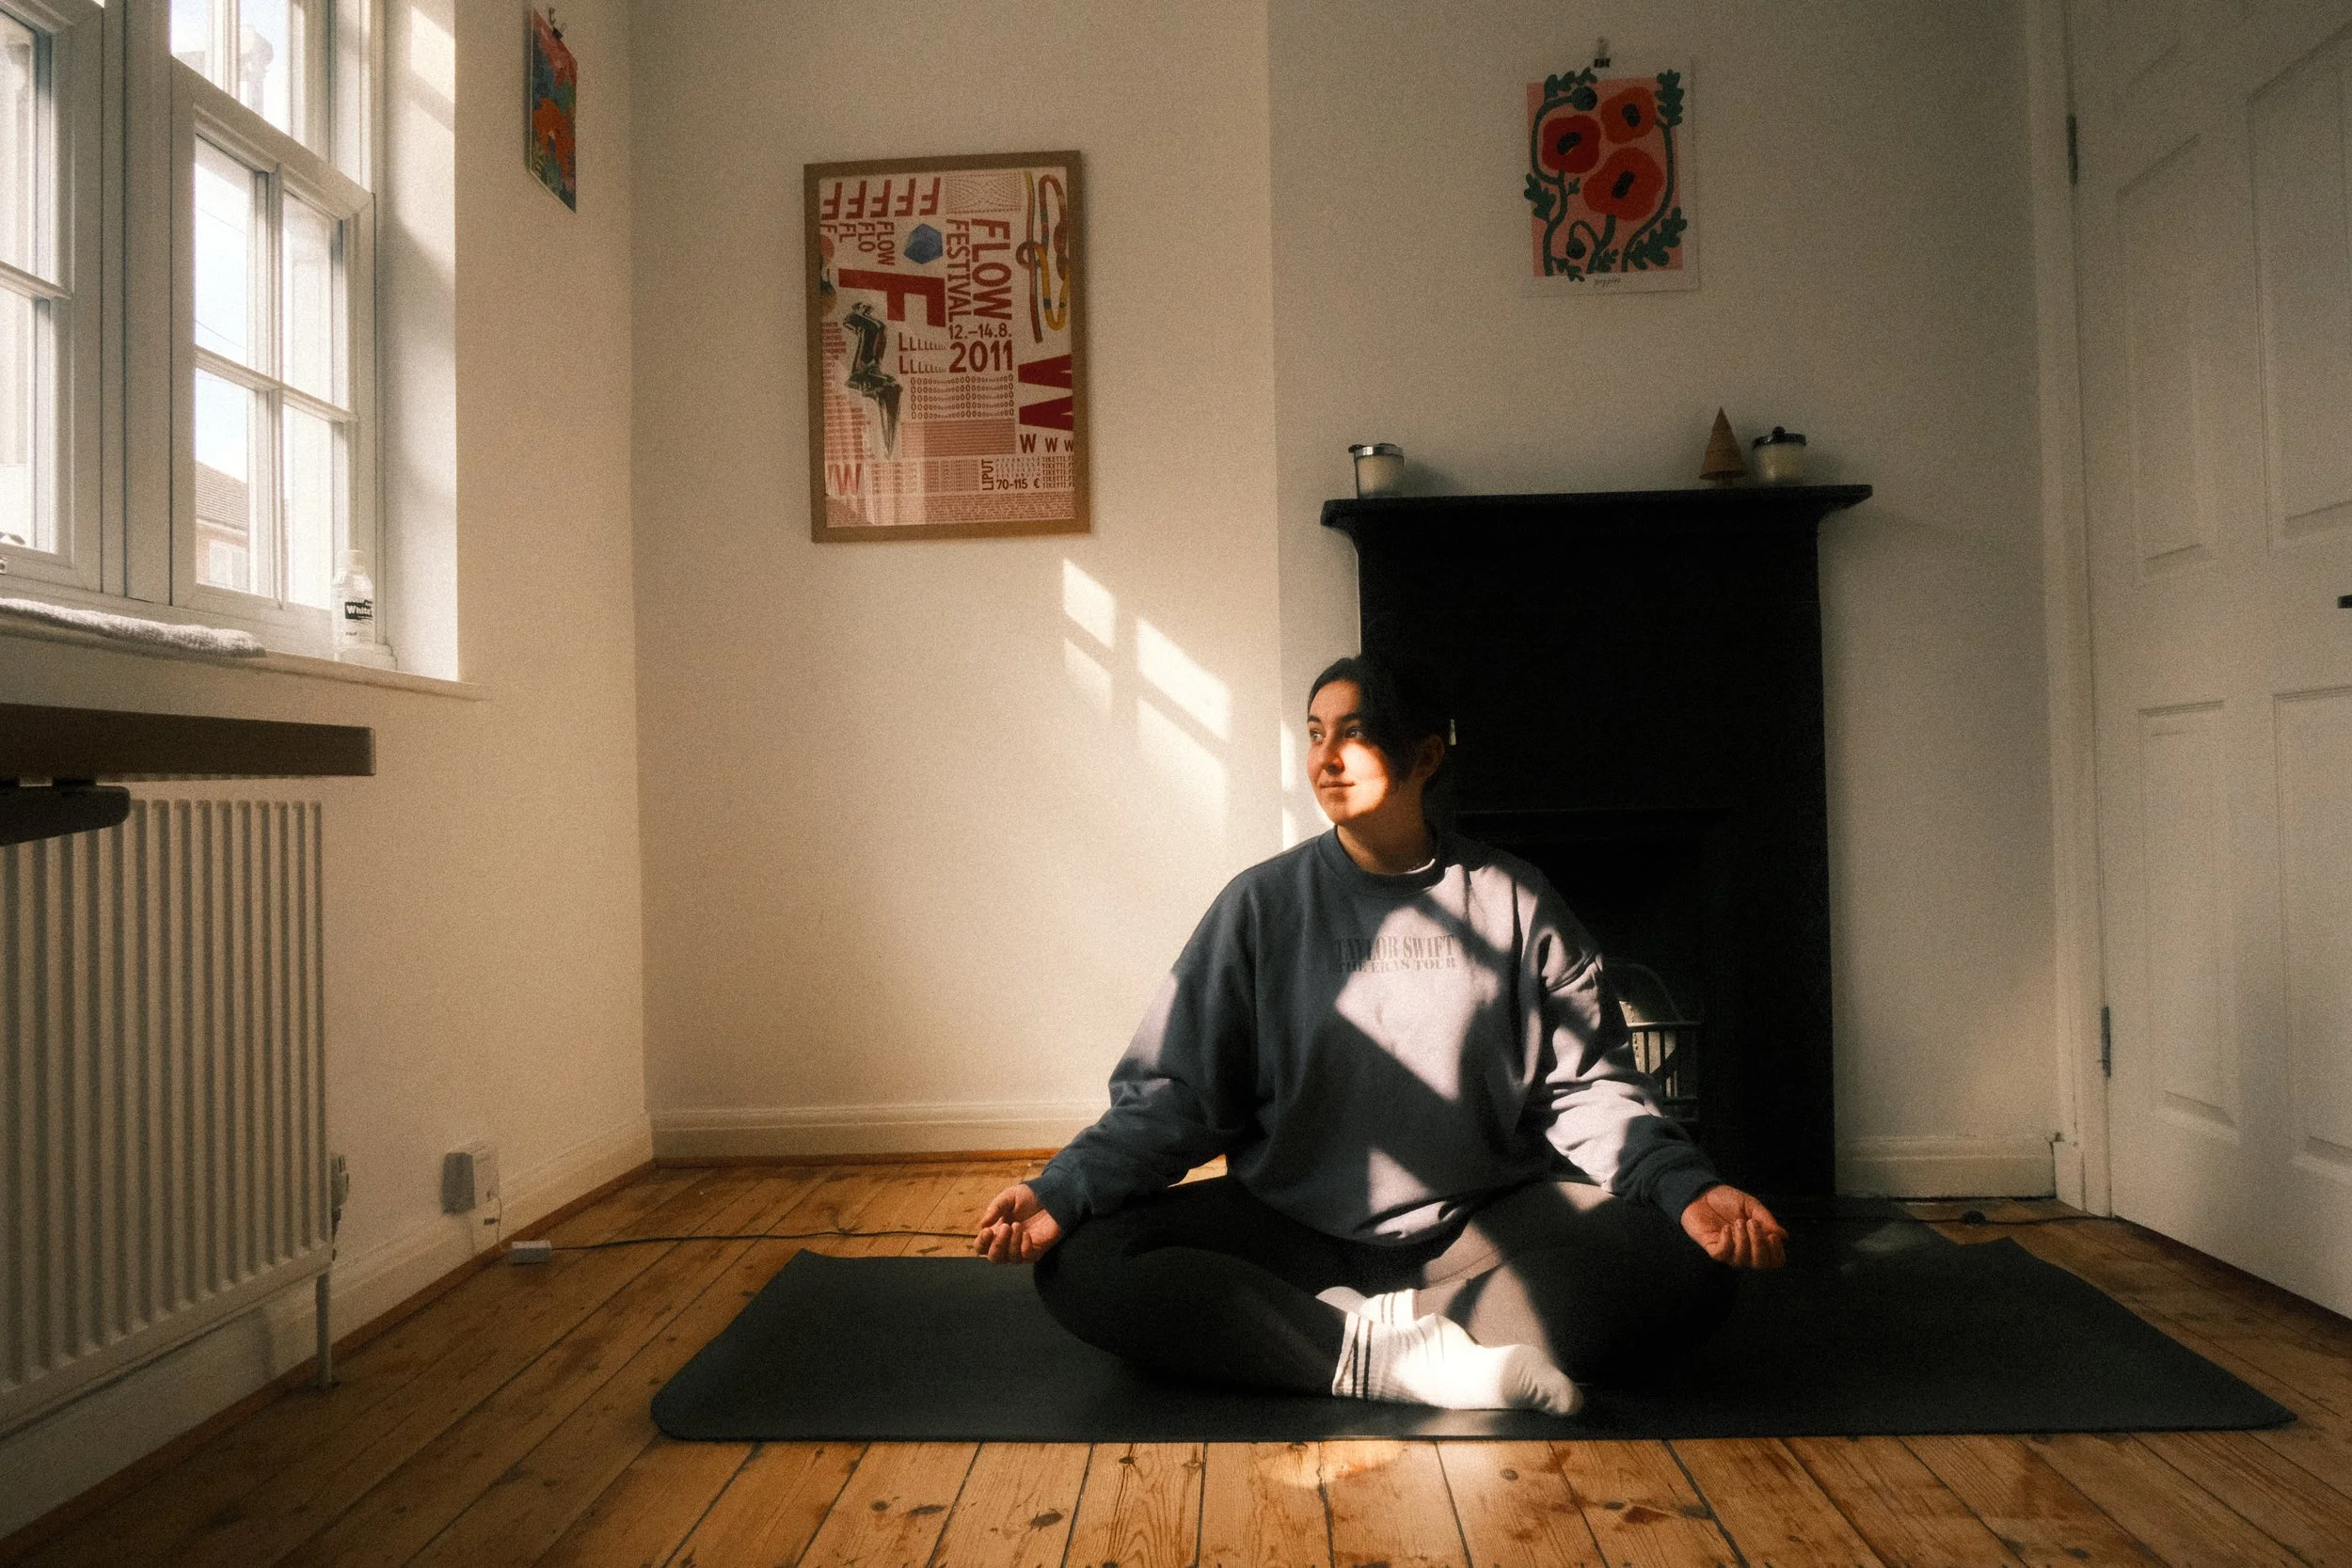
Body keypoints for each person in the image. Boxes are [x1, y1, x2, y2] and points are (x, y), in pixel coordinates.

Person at [974, 655, 1787, 1415]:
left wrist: (1686, 1186)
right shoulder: (1260, 906)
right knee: (1081, 1262)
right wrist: (1064, 1188)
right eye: (1316, 732)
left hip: (1475, 1232)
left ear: (1426, 756)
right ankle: (1424, 1360)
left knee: (1689, 1265)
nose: (1327, 755)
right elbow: (1173, 1097)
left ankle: (1343, 1340)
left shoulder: (1514, 900)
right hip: (1291, 1230)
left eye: (1354, 732)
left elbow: (1591, 1089)